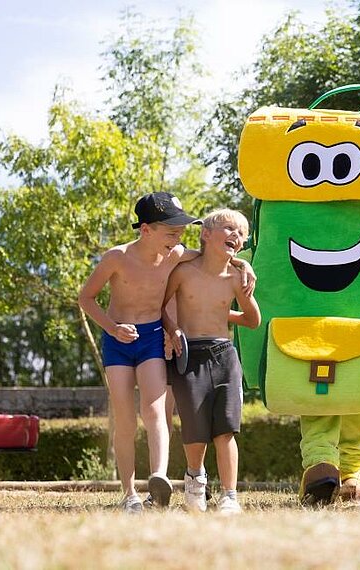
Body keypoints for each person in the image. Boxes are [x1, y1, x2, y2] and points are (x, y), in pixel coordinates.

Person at [78, 192, 252, 514]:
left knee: (156, 409)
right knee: (125, 419)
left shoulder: (176, 255)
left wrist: (242, 265)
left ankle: (158, 477)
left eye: (181, 231)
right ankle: (129, 493)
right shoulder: (116, 257)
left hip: (152, 337)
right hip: (118, 339)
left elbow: (215, 255)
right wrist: (112, 327)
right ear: (145, 230)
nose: (178, 238)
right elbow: (85, 298)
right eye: (171, 232)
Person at [162, 208, 261, 515]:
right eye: (228, 228)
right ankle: (195, 479)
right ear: (205, 234)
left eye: (241, 233)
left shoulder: (236, 277)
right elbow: (161, 308)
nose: (235, 235)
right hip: (188, 354)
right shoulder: (182, 271)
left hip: (224, 355)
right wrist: (173, 329)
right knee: (195, 425)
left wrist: (224, 312)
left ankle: (230, 495)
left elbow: (253, 319)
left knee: (225, 429)